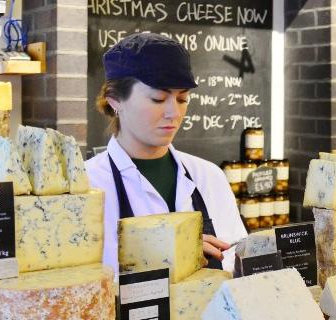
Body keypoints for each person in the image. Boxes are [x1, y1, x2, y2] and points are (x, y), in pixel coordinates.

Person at [87, 32, 247, 275]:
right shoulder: (87, 186)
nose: (174, 112)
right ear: (115, 100)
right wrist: (171, 253)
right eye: (158, 98)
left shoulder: (208, 176)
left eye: (182, 99)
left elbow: (236, 266)